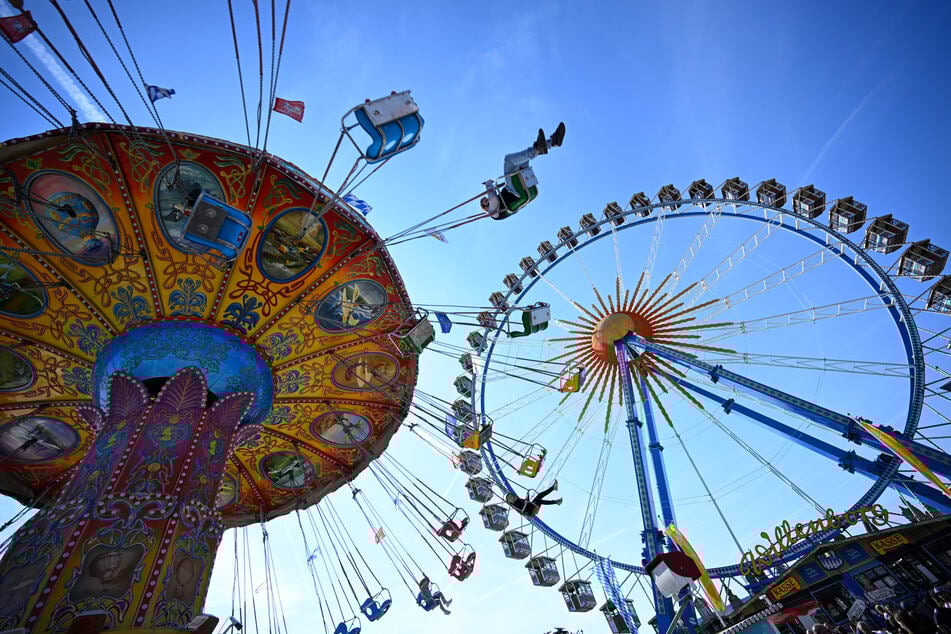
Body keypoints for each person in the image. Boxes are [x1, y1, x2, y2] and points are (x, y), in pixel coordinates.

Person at [481, 122, 566, 219]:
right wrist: (488, 185)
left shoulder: (497, 208)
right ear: (485, 208)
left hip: (521, 189)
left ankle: (551, 142)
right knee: (509, 161)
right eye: (486, 201)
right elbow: (493, 199)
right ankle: (543, 146)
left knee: (523, 160)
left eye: (486, 198)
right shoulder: (493, 213)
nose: (488, 199)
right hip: (515, 192)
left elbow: (494, 198)